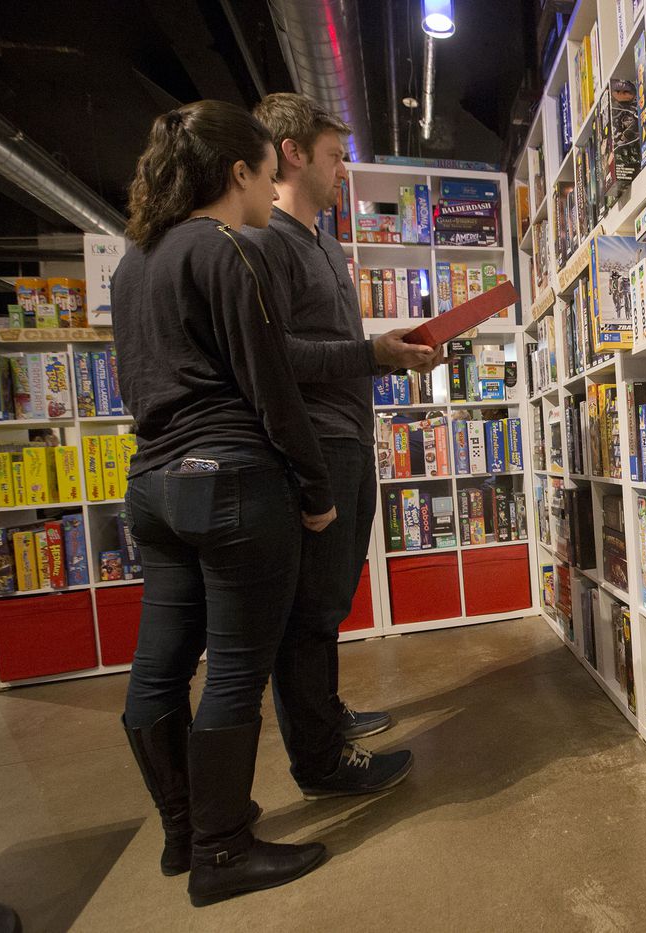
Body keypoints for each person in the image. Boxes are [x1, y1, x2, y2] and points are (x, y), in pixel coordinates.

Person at [113, 99, 333, 907]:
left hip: (154, 485)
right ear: (239, 172)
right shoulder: (224, 249)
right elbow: (271, 386)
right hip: (232, 480)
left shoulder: (133, 263)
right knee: (237, 669)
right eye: (267, 175)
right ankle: (224, 850)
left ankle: (185, 832)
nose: (272, 191)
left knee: (160, 663)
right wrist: (315, 489)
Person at [244, 93, 440, 799]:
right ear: (292, 153)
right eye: (334, 156)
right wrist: (373, 353)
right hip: (317, 443)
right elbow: (277, 357)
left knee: (333, 596)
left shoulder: (324, 244)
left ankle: (325, 716)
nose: (342, 172)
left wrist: (393, 353)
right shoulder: (266, 242)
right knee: (312, 607)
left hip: (352, 437)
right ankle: (321, 761)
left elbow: (334, 350)